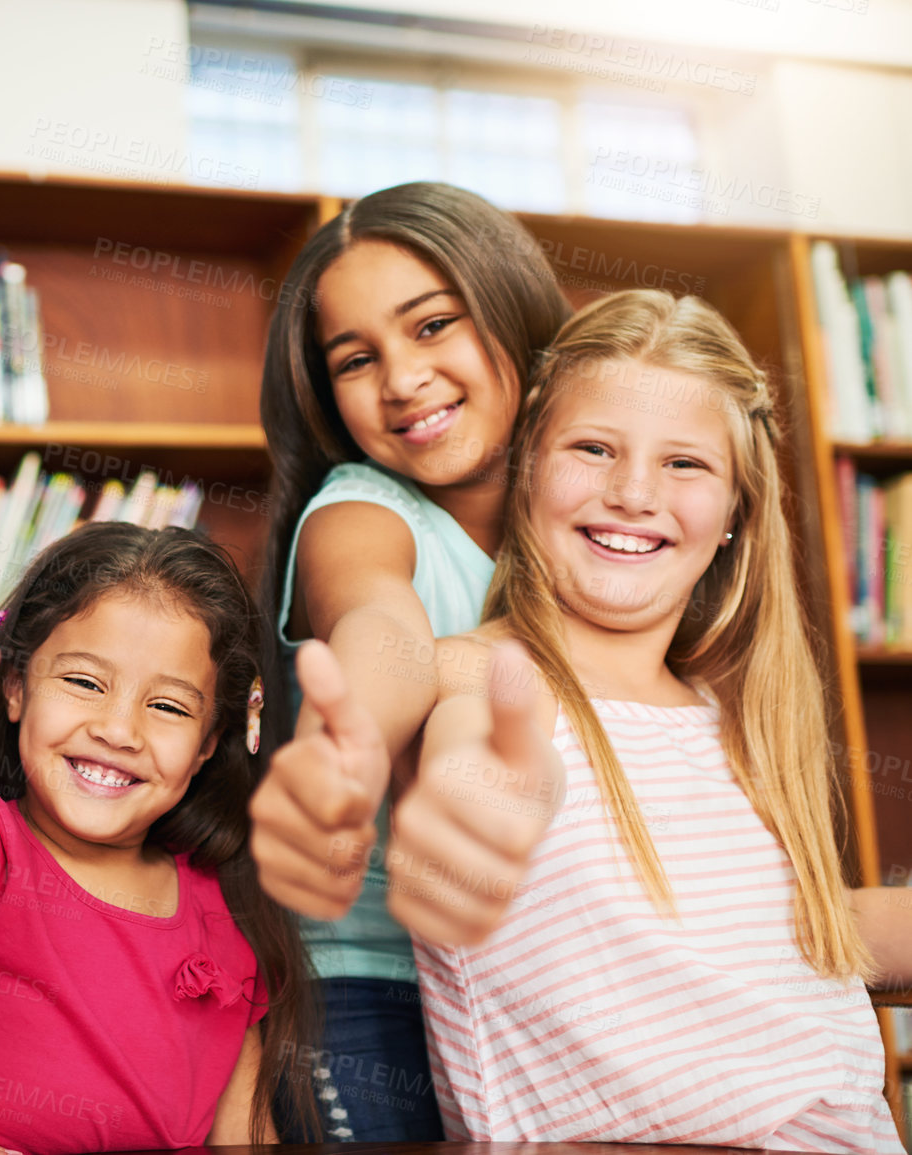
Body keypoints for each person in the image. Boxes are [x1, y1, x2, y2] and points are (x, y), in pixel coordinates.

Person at [373, 289, 904, 1150]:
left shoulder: (731, 720)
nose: (631, 492)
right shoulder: (486, 674)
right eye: (591, 448)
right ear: (529, 470)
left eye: (683, 464)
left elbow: (796, 933)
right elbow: (471, 773)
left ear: (735, 510)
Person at [247, 181, 568, 1139]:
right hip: (369, 987)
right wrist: (354, 743)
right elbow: (381, 627)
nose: (401, 378)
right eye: (357, 358)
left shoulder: (592, 517)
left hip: (539, 972)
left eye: (432, 325)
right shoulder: (354, 512)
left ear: (512, 305)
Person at [0, 522, 317, 1152]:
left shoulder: (228, 911)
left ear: (209, 743)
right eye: (84, 683)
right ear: (16, 687)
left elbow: (245, 1135)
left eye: (169, 707)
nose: (119, 730)